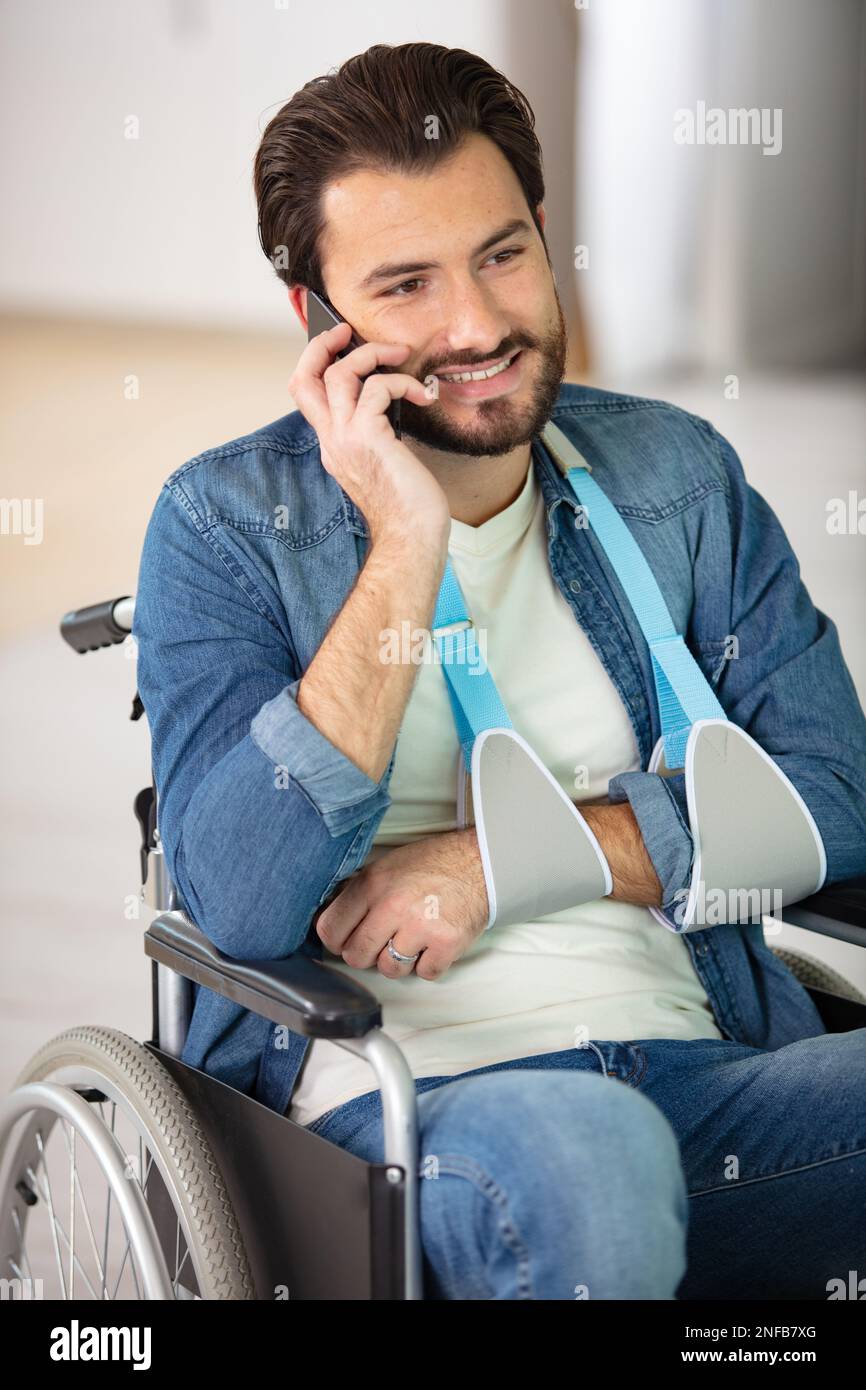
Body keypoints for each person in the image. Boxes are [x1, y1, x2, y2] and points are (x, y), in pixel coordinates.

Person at [133, 42, 866, 1300]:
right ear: (320, 322)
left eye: (502, 254)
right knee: (593, 1148)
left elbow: (833, 797)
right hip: (418, 1125)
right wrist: (404, 542)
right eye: (405, 285)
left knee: (635, 1139)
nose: (475, 325)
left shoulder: (675, 478)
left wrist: (497, 862)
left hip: (709, 1076)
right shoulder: (220, 525)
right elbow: (246, 900)